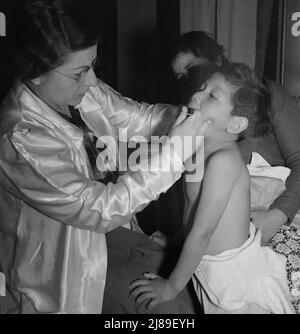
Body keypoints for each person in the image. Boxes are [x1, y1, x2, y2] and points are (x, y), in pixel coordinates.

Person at [0, 0, 211, 314]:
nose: (92, 82)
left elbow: (139, 119)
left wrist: (194, 115)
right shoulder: (21, 139)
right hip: (64, 264)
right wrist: (174, 155)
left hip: (115, 236)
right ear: (36, 72)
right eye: (80, 73)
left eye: (93, 66)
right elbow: (101, 209)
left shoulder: (82, 90)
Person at [130, 63, 296, 314]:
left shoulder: (223, 161)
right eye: (202, 88)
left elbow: (203, 232)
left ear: (235, 125)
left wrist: (171, 286)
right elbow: (192, 211)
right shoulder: (197, 150)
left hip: (232, 279)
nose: (196, 95)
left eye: (212, 96)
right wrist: (174, 243)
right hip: (207, 266)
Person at [171, 30, 300, 244]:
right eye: (181, 77)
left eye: (193, 69)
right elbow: (196, 199)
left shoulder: (269, 95)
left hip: (281, 214)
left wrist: (277, 216)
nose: (190, 82)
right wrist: (177, 242)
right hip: (228, 230)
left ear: (218, 60)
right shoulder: (194, 117)